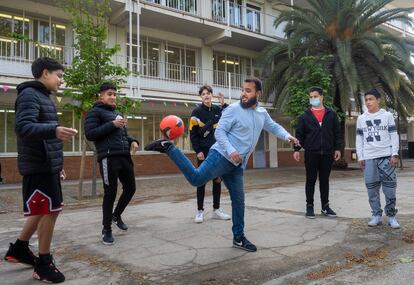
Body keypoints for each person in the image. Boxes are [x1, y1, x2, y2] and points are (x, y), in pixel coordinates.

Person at [145, 78, 299, 252]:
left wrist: (288, 137)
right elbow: (219, 133)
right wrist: (231, 150)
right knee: (196, 179)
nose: (243, 93)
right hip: (220, 156)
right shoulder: (233, 109)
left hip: (237, 166)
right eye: (243, 90)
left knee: (239, 201)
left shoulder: (262, 113)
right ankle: (169, 147)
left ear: (258, 94)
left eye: (248, 90)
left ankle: (238, 238)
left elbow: (274, 127)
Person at [4, 57, 77, 283]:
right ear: (45, 73)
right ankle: (43, 265)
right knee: (49, 210)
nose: (61, 81)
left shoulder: (42, 96)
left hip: (46, 165)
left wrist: (58, 166)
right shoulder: (29, 95)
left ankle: (19, 249)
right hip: (38, 166)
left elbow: (43, 134)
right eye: (59, 75)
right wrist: (54, 130)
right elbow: (24, 127)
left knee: (42, 209)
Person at [85, 82, 139, 245]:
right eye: (109, 94)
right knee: (111, 193)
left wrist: (133, 140)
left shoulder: (117, 112)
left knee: (131, 188)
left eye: (115, 94)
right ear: (100, 95)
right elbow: (90, 134)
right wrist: (111, 124)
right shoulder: (94, 112)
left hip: (124, 155)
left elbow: (122, 135)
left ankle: (116, 215)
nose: (113, 97)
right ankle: (106, 229)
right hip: (108, 157)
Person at [293, 86, 341, 219]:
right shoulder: (304, 116)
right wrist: (297, 149)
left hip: (327, 153)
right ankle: (310, 207)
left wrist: (337, 148)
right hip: (311, 153)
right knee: (310, 180)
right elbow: (299, 134)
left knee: (324, 180)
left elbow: (337, 133)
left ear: (321, 97)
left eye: (315, 96)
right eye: (311, 97)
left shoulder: (331, 114)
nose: (313, 99)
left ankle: (325, 207)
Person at [356, 88, 400, 229]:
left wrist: (395, 154)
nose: (368, 102)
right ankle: (376, 215)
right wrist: (360, 156)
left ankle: (391, 216)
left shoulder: (387, 116)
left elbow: (394, 136)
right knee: (372, 190)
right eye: (366, 100)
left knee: (390, 190)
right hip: (369, 159)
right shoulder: (361, 118)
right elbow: (359, 139)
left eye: (371, 99)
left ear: (378, 100)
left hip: (386, 157)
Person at [190, 85, 230, 223]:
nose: (206, 96)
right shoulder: (196, 112)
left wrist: (223, 103)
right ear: (201, 96)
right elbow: (193, 135)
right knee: (201, 180)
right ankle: (200, 211)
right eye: (203, 94)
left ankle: (216, 210)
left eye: (208, 93)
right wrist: (198, 151)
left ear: (211, 95)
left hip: (218, 150)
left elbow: (230, 114)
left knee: (217, 180)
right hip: (204, 151)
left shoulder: (218, 110)